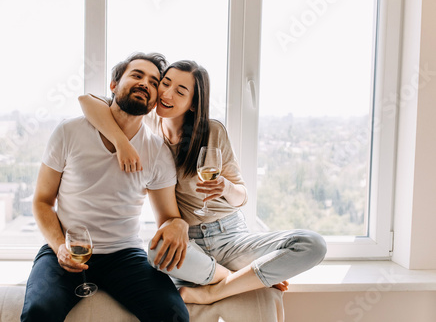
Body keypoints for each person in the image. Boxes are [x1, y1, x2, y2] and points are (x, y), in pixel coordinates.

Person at [78, 60, 327, 305]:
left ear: (193, 105)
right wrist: (121, 143)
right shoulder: (148, 123)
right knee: (156, 253)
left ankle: (212, 292)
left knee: (312, 244)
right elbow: (87, 101)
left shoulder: (212, 132)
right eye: (165, 83)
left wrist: (225, 187)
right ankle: (238, 279)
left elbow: (242, 196)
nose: (166, 93)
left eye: (180, 91)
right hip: (188, 243)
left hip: (229, 237)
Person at [21, 52, 190, 322]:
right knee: (38, 312)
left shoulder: (157, 152)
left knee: (173, 315)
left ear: (156, 99)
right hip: (65, 249)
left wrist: (178, 224)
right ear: (113, 85)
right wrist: (59, 247)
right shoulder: (69, 132)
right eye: (137, 75)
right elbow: (42, 200)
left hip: (124, 255)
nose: (145, 83)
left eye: (153, 81)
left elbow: (168, 217)